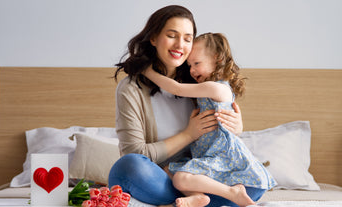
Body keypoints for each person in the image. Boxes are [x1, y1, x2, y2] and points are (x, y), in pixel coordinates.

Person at [108, 5, 249, 207]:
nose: (180, 45)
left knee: (252, 178)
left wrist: (236, 127)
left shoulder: (198, 81)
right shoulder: (131, 89)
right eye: (172, 35)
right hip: (159, 178)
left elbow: (220, 141)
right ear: (154, 38)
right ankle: (203, 198)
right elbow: (135, 153)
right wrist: (189, 134)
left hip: (199, 175)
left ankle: (193, 199)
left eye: (187, 39)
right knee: (129, 167)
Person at [142, 32, 276, 207]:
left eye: (197, 63)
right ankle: (197, 197)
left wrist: (147, 71)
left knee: (180, 178)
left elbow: (177, 89)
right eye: (189, 65)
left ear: (217, 58)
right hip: (208, 156)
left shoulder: (217, 88)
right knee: (169, 171)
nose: (192, 70)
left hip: (222, 157)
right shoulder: (207, 88)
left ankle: (233, 192)